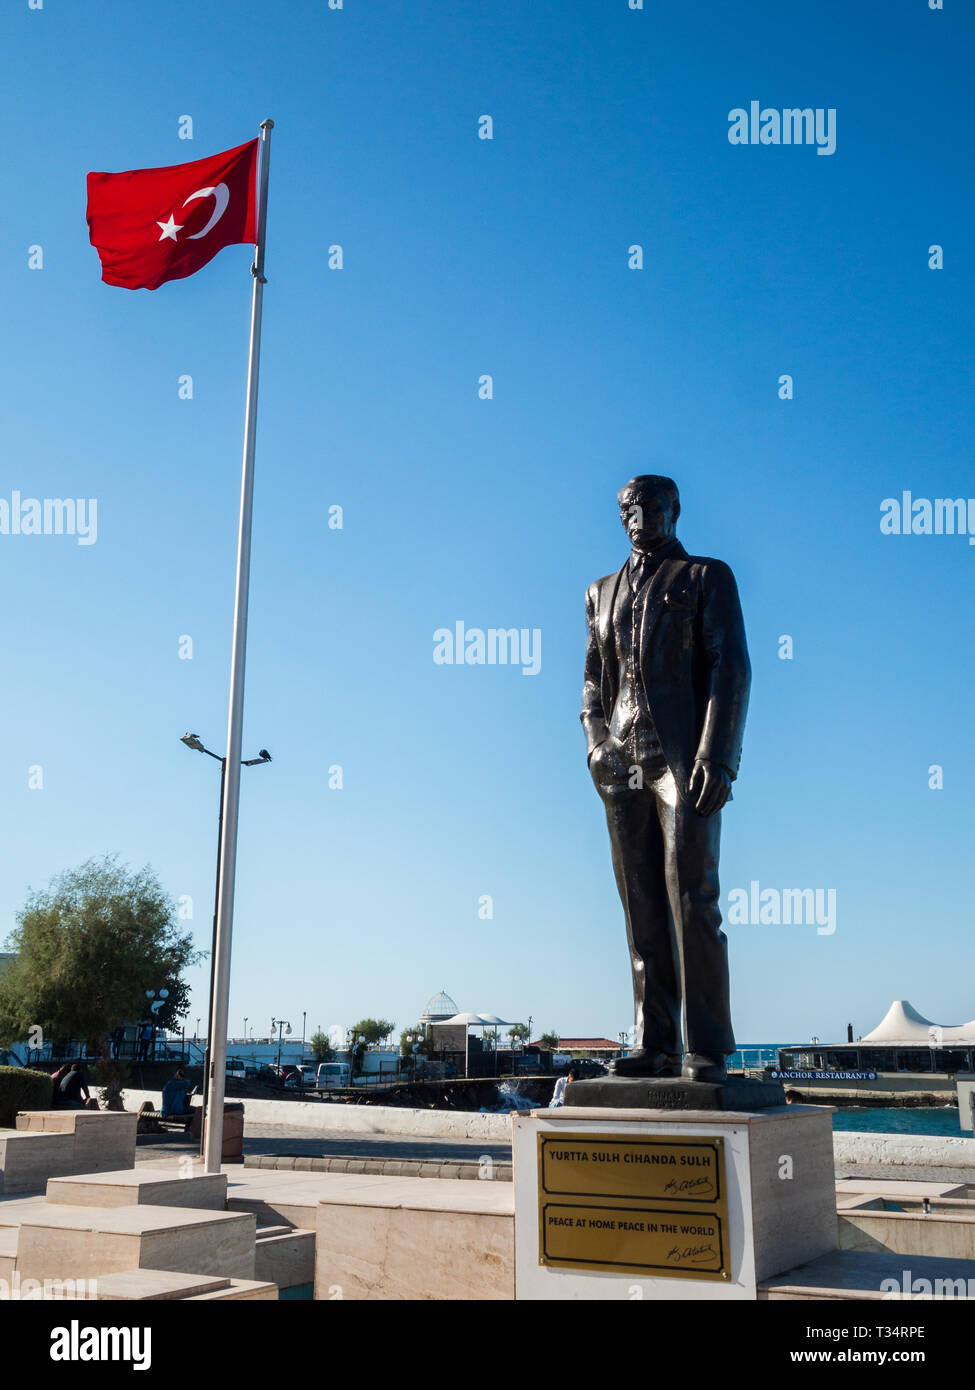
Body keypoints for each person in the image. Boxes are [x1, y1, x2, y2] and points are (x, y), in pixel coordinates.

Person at [583, 476, 750, 1085]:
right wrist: (597, 744)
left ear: (675, 511)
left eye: (652, 505)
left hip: (683, 756)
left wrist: (719, 755)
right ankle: (652, 1040)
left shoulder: (706, 577)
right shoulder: (599, 592)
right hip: (620, 762)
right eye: (629, 507)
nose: (640, 515)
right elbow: (591, 685)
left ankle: (705, 1045)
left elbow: (730, 666)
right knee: (641, 904)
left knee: (692, 896)